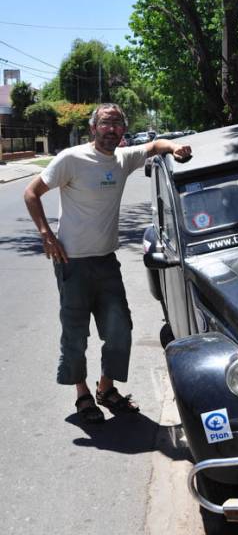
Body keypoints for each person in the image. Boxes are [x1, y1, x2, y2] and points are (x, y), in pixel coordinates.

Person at [24, 103, 192, 423]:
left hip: (106, 262)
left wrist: (174, 146)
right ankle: (83, 395)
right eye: (105, 123)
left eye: (117, 124)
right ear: (93, 128)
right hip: (71, 262)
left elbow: (155, 145)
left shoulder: (122, 159)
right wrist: (46, 234)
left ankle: (105, 388)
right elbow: (32, 193)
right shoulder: (71, 159)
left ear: (123, 131)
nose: (111, 129)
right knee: (75, 333)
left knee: (120, 330)